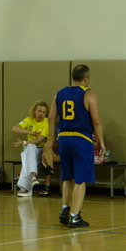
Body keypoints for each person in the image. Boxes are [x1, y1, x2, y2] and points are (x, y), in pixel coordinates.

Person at [47, 64, 105, 228]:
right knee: (80, 179)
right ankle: (74, 216)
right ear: (86, 78)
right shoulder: (88, 93)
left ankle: (64, 209)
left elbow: (51, 118)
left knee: (67, 176)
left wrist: (52, 140)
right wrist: (100, 141)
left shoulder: (59, 93)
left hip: (64, 138)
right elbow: (96, 120)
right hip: (81, 138)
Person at [11, 100, 51, 197]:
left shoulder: (46, 122)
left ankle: (25, 187)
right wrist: (29, 132)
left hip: (41, 151)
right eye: (39, 111)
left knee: (27, 155)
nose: (41, 114)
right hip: (30, 148)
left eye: (44, 112)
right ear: (34, 111)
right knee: (29, 149)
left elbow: (39, 140)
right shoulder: (29, 120)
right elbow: (14, 128)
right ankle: (33, 177)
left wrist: (24, 142)